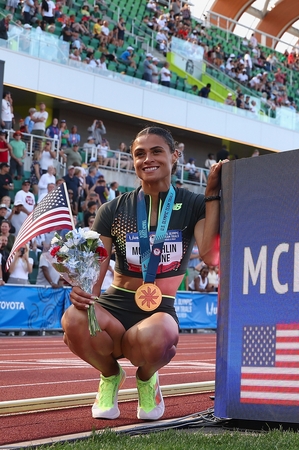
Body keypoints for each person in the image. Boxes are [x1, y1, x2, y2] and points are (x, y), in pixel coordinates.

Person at [63, 126, 226, 421]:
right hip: (115, 305)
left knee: (162, 334)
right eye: (140, 154)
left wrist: (212, 194)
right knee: (73, 319)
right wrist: (82, 291)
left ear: (175, 156)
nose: (147, 159)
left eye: (156, 151)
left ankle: (147, 378)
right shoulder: (113, 209)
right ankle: (110, 375)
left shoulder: (192, 204)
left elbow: (210, 256)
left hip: (159, 309)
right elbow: (95, 278)